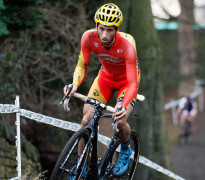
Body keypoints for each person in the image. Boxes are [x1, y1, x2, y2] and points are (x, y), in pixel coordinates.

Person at [63, 3, 140, 178]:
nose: (104, 35)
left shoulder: (127, 44)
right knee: (86, 120)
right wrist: (74, 84)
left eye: (110, 30)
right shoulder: (88, 38)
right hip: (104, 79)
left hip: (126, 83)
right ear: (96, 25)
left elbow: (133, 82)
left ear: (117, 29)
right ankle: (81, 165)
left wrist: (123, 105)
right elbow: (82, 65)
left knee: (120, 121)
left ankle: (126, 150)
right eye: (102, 29)